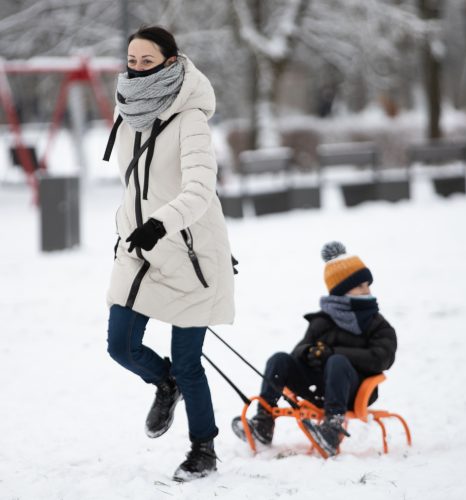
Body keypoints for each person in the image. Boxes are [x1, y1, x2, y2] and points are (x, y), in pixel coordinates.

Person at [103, 25, 235, 482]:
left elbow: (201, 189)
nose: (137, 68)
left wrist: (161, 222)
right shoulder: (126, 112)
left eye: (148, 61)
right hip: (138, 248)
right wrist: (129, 228)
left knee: (188, 360)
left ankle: (203, 449)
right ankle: (165, 385)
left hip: (188, 250)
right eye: (132, 60)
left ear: (171, 62)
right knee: (120, 345)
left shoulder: (191, 118)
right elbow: (132, 187)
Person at [232, 241, 397, 456]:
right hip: (316, 389)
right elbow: (297, 354)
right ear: (341, 290)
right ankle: (263, 422)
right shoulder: (322, 321)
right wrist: (310, 353)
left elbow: (382, 358)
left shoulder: (376, 323)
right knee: (280, 359)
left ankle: (332, 428)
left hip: (354, 391)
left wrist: (334, 354)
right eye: (360, 286)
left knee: (337, 362)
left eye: (367, 284)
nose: (368, 290)